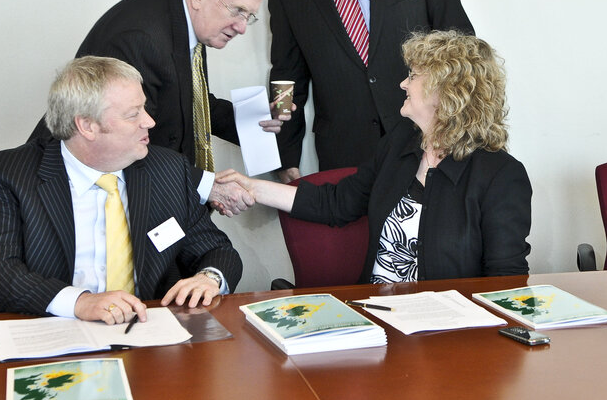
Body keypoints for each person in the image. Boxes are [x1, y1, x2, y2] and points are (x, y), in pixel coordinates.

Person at [218, 31, 531, 283]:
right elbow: (337, 202)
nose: (403, 83)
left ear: (446, 92)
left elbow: (505, 281)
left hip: (449, 337)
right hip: (377, 320)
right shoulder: (400, 144)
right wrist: (253, 188)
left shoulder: (501, 176)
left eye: (415, 75)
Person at [0, 56, 242, 325]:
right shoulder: (9, 174)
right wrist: (80, 302)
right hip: (51, 332)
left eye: (144, 108)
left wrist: (209, 277)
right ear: (87, 125)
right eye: (133, 114)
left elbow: (217, 250)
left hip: (147, 333)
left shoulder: (167, 169)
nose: (149, 122)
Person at [30, 0, 283, 215]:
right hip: (72, 199)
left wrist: (252, 122)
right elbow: (127, 139)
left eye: (249, 16)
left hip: (149, 187)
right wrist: (209, 186)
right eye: (237, 11)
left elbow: (189, 101)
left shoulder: (184, 17)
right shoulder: (142, 39)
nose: (242, 27)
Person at [269, 0, 474, 184]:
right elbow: (286, 73)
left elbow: (458, 40)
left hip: (430, 136)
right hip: (347, 154)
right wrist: (284, 155)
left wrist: (465, 124)